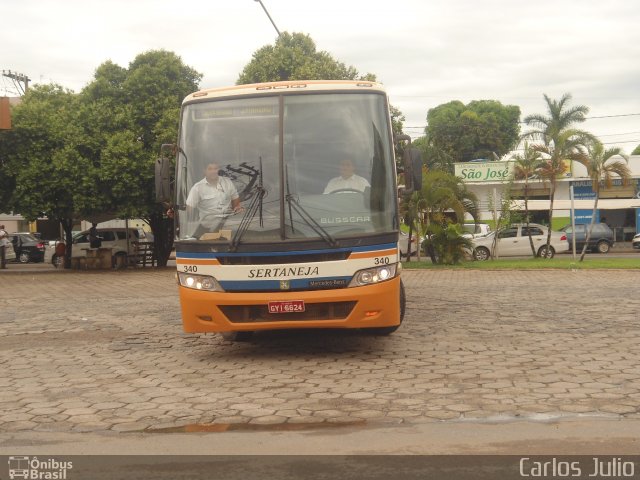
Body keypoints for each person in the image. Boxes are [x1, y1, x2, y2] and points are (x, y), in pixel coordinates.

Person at [186, 162, 244, 237]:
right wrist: (175, 214)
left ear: (218, 170)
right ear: (205, 171)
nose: (213, 171)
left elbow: (235, 200)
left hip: (227, 225)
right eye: (210, 169)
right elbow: (188, 209)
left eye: (215, 169)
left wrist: (237, 208)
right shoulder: (197, 188)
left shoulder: (227, 182)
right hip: (207, 228)